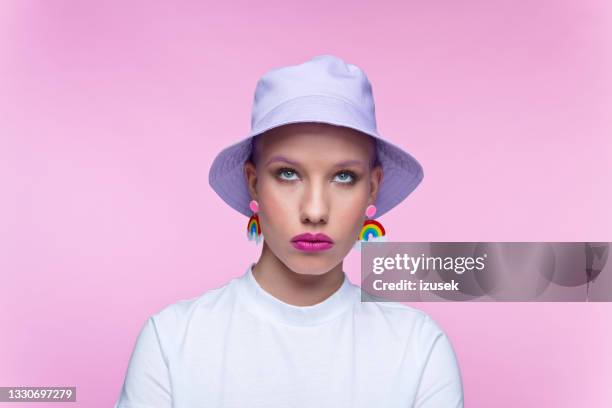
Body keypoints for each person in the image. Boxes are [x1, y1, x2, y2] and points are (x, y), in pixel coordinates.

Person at [114, 54, 464, 407]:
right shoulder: (171, 341)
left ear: (372, 188)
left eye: (344, 177)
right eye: (287, 174)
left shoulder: (418, 348)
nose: (314, 211)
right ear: (252, 183)